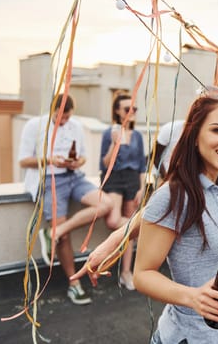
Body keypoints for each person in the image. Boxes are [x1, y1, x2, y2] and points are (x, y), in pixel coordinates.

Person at [133, 91, 218, 344]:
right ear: (195, 136)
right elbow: (142, 274)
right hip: (183, 337)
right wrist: (193, 297)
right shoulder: (174, 195)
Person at [18, 93, 113, 305]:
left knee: (105, 204)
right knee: (64, 238)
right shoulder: (34, 125)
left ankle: (54, 233)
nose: (63, 122)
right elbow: (23, 161)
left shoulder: (76, 126)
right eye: (60, 118)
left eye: (67, 118)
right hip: (50, 180)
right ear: (52, 110)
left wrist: (77, 162)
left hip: (74, 178)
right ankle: (74, 284)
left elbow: (84, 156)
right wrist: (50, 159)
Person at [99, 92, 146, 290]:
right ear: (118, 111)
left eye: (134, 108)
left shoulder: (137, 135)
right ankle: (140, 228)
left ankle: (127, 273)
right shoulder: (109, 132)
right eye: (128, 109)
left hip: (132, 180)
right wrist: (114, 143)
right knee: (115, 221)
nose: (132, 112)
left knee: (127, 233)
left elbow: (142, 166)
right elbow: (105, 163)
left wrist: (142, 188)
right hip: (114, 179)